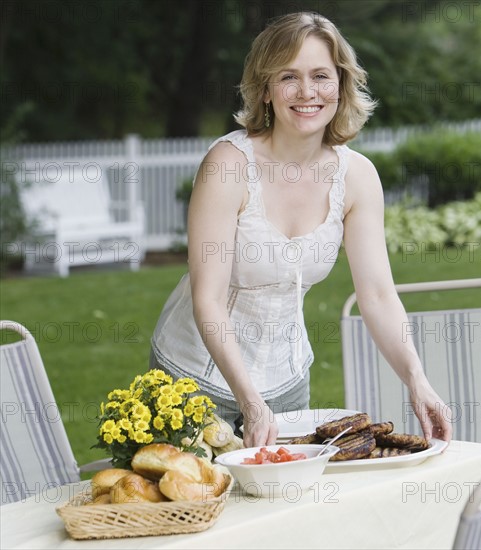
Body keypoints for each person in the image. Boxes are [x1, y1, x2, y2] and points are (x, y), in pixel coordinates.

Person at [150, 12, 452, 448]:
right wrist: (251, 404)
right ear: (266, 89)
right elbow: (208, 299)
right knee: (200, 507)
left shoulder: (357, 177)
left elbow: (379, 295)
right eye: (289, 76)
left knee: (285, 504)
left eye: (321, 76)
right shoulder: (228, 166)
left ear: (342, 85)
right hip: (193, 376)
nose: (307, 92)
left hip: (287, 382)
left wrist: (418, 381)